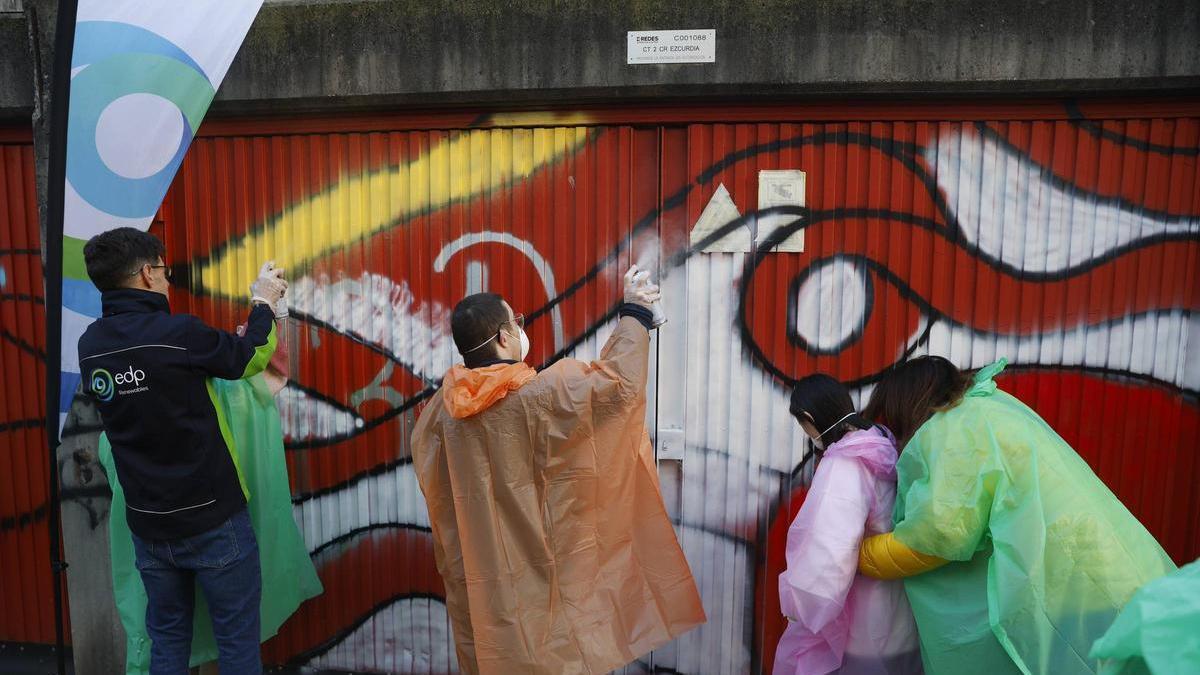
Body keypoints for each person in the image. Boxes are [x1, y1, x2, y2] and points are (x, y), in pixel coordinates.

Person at [410, 266, 706, 675]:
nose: (519, 329)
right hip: (544, 577)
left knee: (495, 655)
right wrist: (635, 315)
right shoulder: (537, 396)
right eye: (517, 321)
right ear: (503, 337)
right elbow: (617, 387)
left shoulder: (441, 414)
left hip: (484, 579)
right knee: (551, 657)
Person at [857, 356, 1177, 675]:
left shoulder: (952, 431)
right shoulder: (988, 407)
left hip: (1076, 588)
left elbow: (938, 535)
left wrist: (854, 554)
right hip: (1112, 569)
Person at [77, 227, 288, 674]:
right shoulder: (179, 334)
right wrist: (264, 304)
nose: (169, 280)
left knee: (168, 639)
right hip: (214, 520)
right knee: (236, 642)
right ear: (146, 274)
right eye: (165, 271)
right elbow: (248, 357)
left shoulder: (91, 346)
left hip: (150, 528)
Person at [775, 374, 923, 675]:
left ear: (809, 418)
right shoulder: (882, 444)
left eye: (803, 426)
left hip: (863, 619)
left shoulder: (845, 463)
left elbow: (830, 548)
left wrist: (803, 607)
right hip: (902, 609)